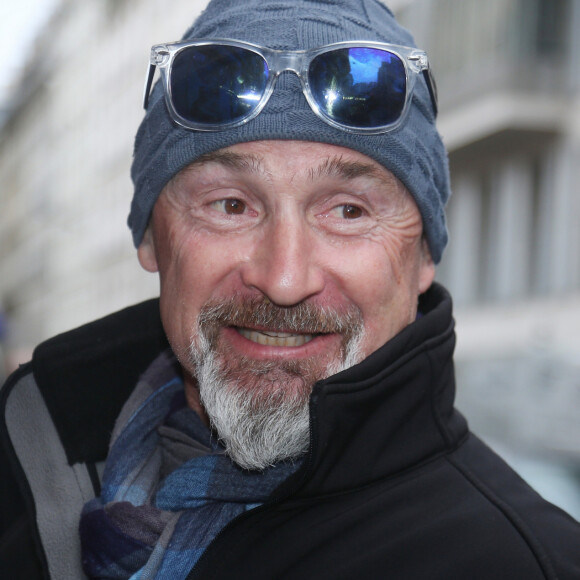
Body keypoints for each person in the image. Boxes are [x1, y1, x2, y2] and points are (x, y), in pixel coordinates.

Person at [1, 0, 579, 578]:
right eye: (230, 205)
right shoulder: (29, 471)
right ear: (152, 239)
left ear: (424, 254)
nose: (283, 279)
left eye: (348, 212)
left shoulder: (523, 563)